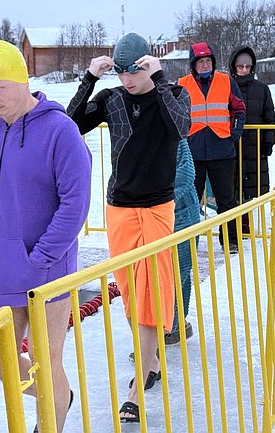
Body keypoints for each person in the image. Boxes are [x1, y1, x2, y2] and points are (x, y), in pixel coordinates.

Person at [0, 40, 92, 433]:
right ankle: (59, 396)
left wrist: (40, 257)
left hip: (46, 272)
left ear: (22, 81)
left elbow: (75, 204)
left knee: (47, 361)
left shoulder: (60, 131)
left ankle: (51, 422)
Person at [67, 32, 190, 423]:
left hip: (157, 206)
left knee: (153, 286)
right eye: (119, 73)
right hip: (119, 206)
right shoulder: (112, 98)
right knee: (131, 286)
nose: (126, 80)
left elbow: (181, 128)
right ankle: (152, 361)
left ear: (146, 65)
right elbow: (70, 125)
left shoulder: (172, 95)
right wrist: (89, 79)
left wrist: (163, 81)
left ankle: (138, 385)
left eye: (131, 72)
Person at [178, 42, 246, 254]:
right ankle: (187, 242)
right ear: (193, 65)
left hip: (222, 150)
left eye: (208, 61)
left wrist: (233, 135)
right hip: (193, 152)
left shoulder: (226, 81)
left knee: (226, 200)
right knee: (189, 200)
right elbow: (175, 114)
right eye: (200, 62)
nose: (205, 65)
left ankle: (230, 240)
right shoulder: (182, 83)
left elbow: (239, 109)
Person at [228, 45, 275, 212]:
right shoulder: (226, 86)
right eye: (240, 66)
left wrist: (268, 142)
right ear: (234, 66)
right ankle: (234, 226)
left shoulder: (262, 88)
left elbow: (270, 116)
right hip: (232, 145)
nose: (244, 70)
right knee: (231, 188)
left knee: (252, 188)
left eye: (248, 67)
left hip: (255, 146)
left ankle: (246, 223)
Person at [165, 139, 200, 345]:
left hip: (183, 216)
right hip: (158, 216)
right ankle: (170, 323)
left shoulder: (176, 139)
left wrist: (160, 196)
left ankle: (174, 324)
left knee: (179, 273)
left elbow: (186, 175)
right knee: (164, 274)